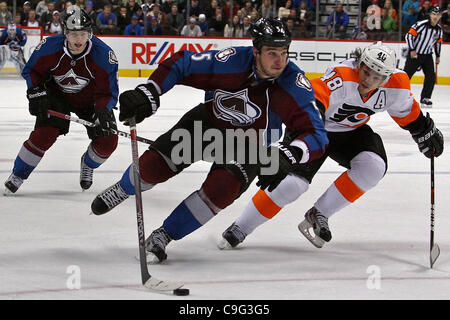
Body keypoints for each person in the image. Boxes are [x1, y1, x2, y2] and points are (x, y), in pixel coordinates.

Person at [90, 18, 328, 264]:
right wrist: (148, 92)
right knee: (152, 167)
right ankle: (123, 188)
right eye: (272, 53)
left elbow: (316, 134)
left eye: (284, 52)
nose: (280, 61)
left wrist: (288, 155)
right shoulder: (232, 60)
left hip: (252, 145)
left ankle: (164, 235)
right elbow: (182, 63)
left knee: (222, 190)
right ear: (256, 51)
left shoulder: (295, 84)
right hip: (208, 124)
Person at [218, 41, 444, 250]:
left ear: (386, 78)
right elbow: (312, 104)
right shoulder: (342, 76)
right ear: (359, 64)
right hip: (314, 128)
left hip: (351, 132)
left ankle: (320, 213)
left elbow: (409, 114)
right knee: (292, 185)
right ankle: (241, 226)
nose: (369, 80)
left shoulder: (398, 85)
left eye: (377, 77)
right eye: (366, 71)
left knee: (373, 166)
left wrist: (424, 132)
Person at [3, 7, 119, 195]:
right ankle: (18, 174)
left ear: (90, 33)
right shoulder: (49, 47)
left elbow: (107, 92)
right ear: (65, 33)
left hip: (90, 101)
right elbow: (32, 71)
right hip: (57, 98)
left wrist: (103, 111)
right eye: (73, 34)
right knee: (44, 135)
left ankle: (87, 164)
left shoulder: (104, 55)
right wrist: (36, 93)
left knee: (108, 140)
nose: (78, 40)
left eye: (83, 34)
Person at [404, 6, 443, 108]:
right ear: (430, 15)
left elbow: (438, 43)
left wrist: (438, 55)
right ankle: (401, 95)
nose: (435, 16)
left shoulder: (439, 30)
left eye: (438, 14)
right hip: (415, 54)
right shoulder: (421, 25)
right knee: (406, 76)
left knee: (431, 77)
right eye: (434, 14)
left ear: (440, 16)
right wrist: (412, 49)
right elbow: (409, 36)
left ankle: (425, 98)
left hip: (427, 55)